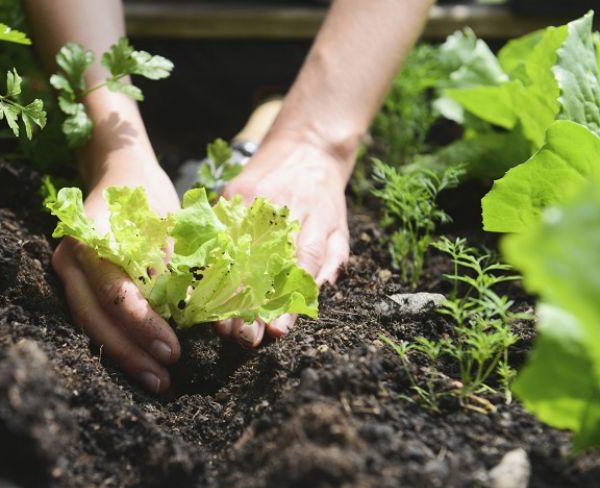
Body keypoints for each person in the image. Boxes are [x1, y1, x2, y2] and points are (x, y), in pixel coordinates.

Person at [25, 0, 435, 394]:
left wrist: (317, 140)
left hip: (351, 42)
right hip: (140, 38)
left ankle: (275, 110)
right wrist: (112, 150)